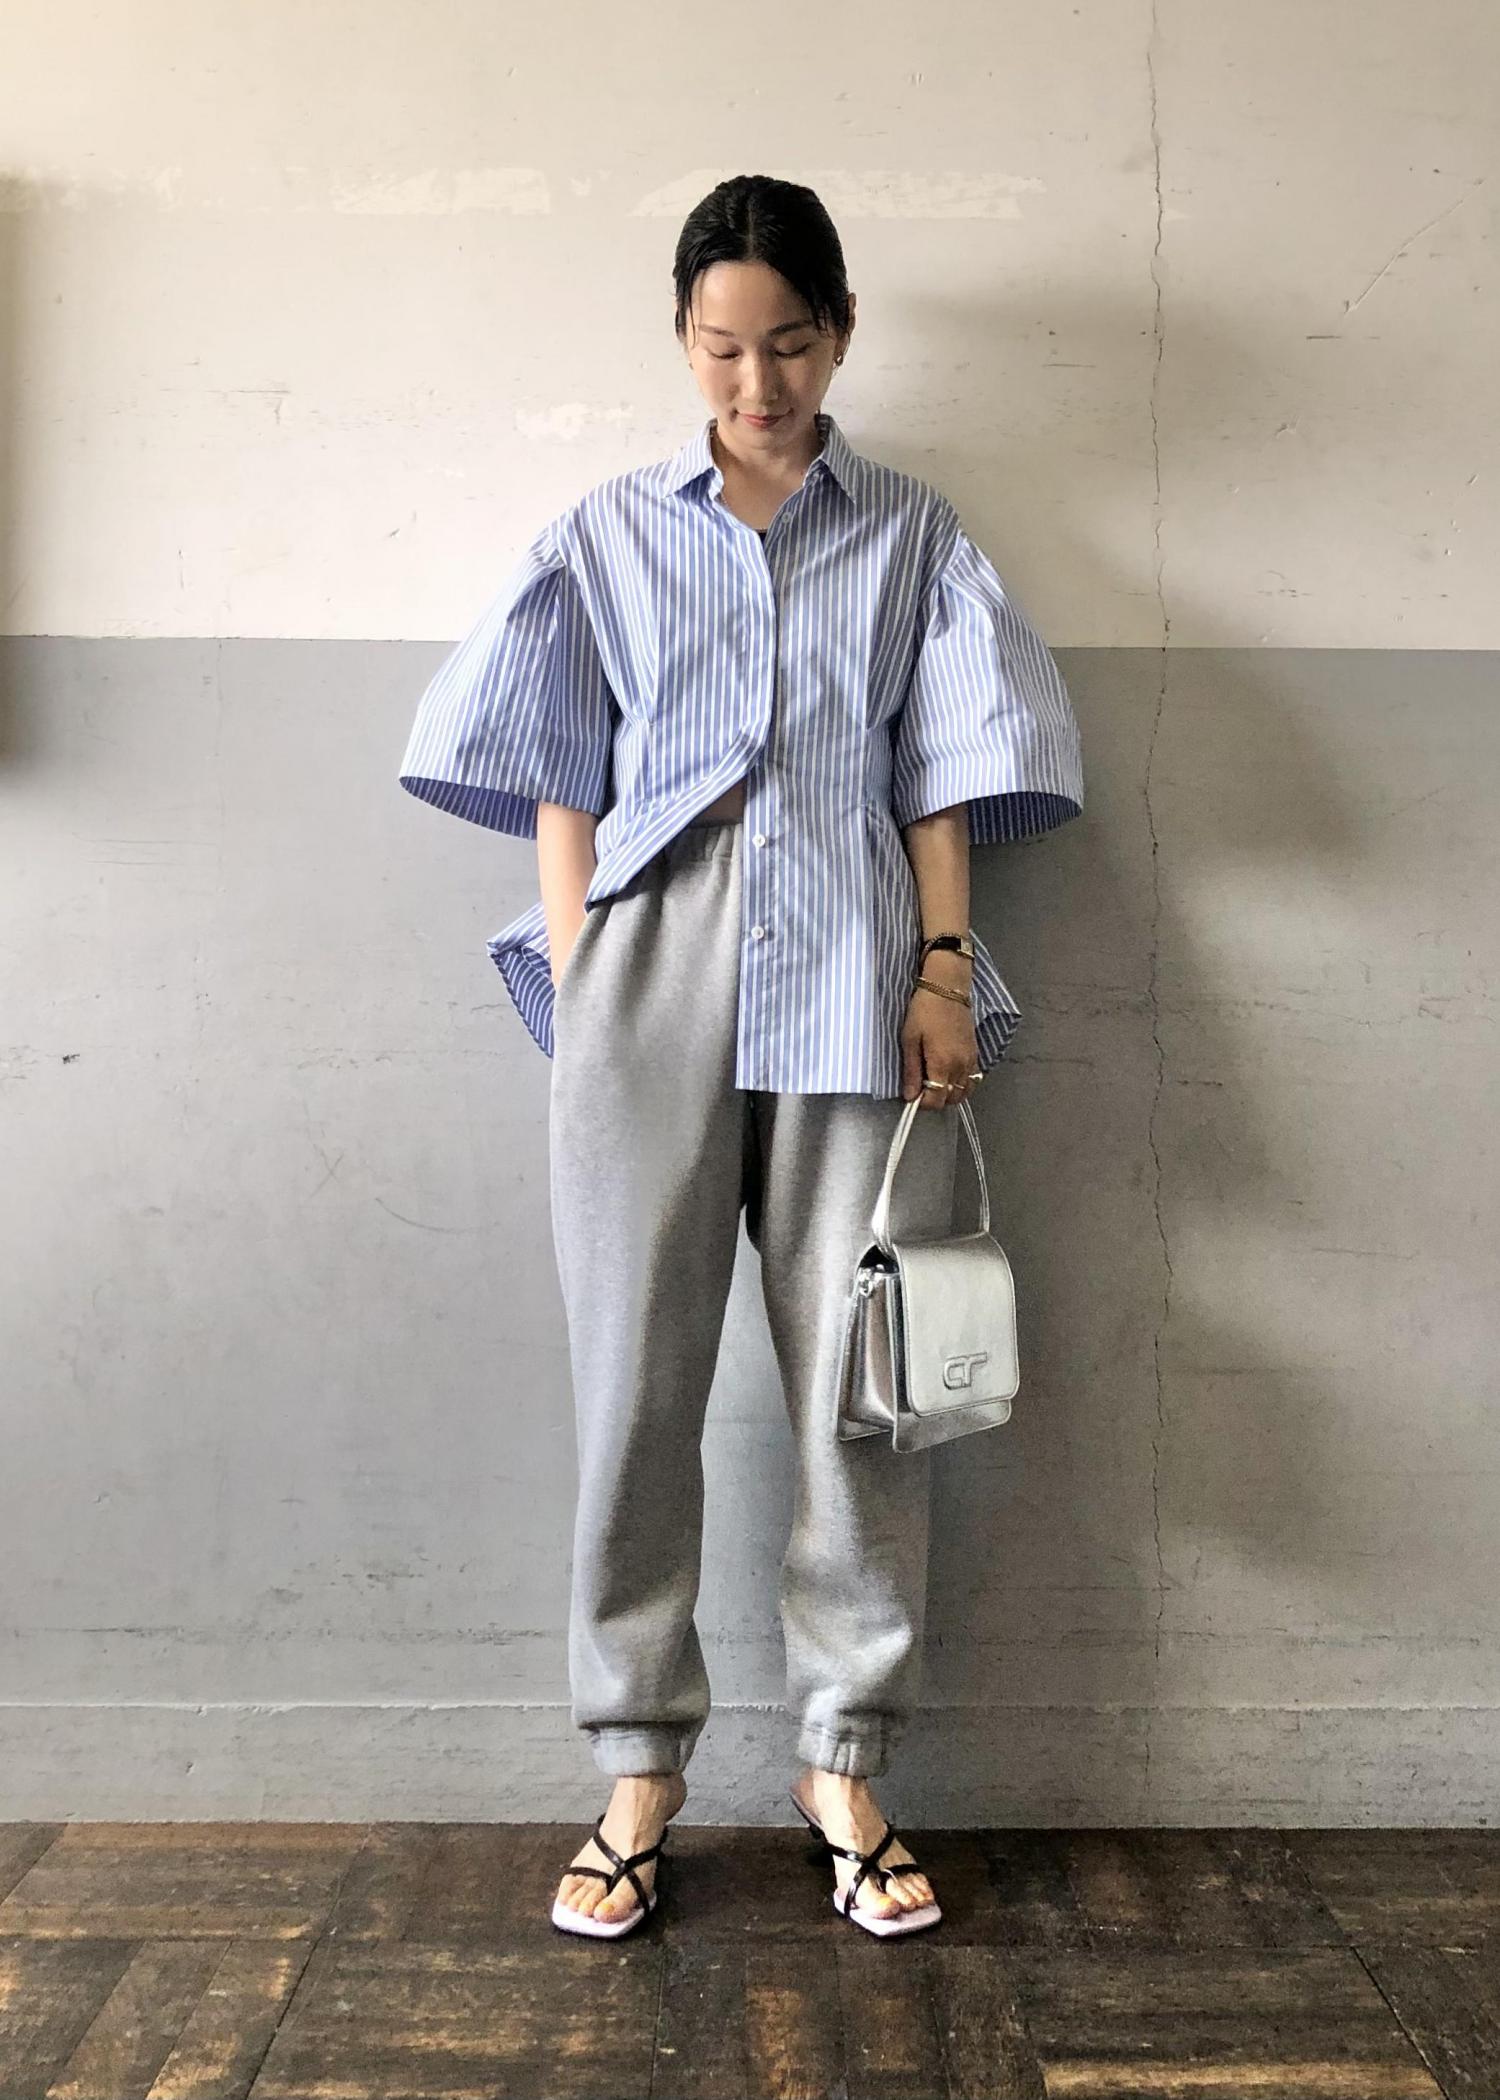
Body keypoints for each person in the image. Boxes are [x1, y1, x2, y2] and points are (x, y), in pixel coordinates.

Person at [398, 174, 1084, 1940]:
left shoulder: (915, 534)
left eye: (787, 344)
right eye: (720, 348)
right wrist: (583, 970)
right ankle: (637, 1768)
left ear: (841, 334)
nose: (755, 382)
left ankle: (843, 1761)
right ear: (682, 342)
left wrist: (945, 968)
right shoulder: (610, 531)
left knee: (865, 1388)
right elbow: (558, 764)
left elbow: (941, 772)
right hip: (651, 964)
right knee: (634, 1380)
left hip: (859, 960)